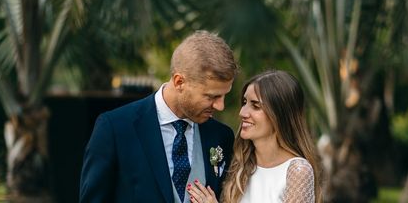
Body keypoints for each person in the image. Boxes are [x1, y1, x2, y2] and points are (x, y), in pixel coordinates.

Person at [79, 30, 238, 203]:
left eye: (223, 96)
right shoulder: (115, 128)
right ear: (179, 82)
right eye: (211, 96)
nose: (220, 106)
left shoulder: (221, 136)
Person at [187, 70, 321, 203]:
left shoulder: (297, 171)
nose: (242, 112)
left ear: (279, 115)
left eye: (255, 106)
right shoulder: (238, 165)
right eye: (244, 102)